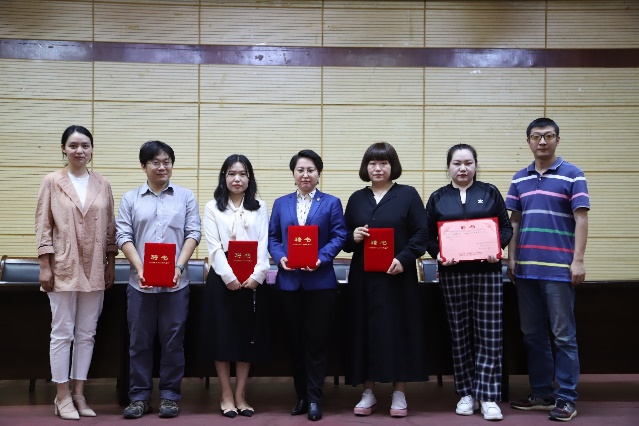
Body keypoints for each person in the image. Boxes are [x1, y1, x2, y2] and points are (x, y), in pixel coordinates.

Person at [507, 118, 589, 422]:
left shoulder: (573, 175)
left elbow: (581, 219)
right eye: (536, 136)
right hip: (526, 270)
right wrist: (511, 259)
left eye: (548, 136)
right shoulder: (519, 179)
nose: (542, 141)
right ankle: (542, 393)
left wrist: (578, 260)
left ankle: (566, 398)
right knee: (533, 335)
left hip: (558, 270)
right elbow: (514, 221)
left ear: (557, 139)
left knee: (563, 336)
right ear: (528, 141)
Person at [424, 144, 512, 421]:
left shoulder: (490, 192)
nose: (463, 168)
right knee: (459, 333)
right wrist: (438, 254)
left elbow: (506, 228)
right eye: (457, 163)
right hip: (453, 274)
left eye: (468, 163)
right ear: (448, 167)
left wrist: (497, 247)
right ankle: (466, 393)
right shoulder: (438, 197)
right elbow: (427, 236)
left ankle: (488, 396)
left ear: (475, 165)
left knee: (489, 333)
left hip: (488, 272)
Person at [35, 125, 117, 420]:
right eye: (73, 145)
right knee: (62, 332)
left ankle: (79, 393)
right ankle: (62, 395)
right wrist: (45, 266)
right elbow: (43, 226)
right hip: (62, 265)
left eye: (85, 145)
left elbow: (110, 227)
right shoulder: (52, 181)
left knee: (86, 333)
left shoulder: (102, 183)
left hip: (95, 266)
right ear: (63, 149)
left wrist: (110, 263)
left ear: (92, 149)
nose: (79, 150)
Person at [116, 141, 201, 419]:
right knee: (139, 342)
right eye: (155, 162)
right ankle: (139, 397)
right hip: (139, 284)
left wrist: (179, 266)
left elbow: (193, 233)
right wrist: (140, 268)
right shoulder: (131, 198)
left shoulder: (185, 196)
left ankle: (169, 396)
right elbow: (123, 235)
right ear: (144, 166)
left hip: (176, 283)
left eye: (167, 162)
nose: (162, 167)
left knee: (173, 341)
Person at [343, 142, 428, 418]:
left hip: (398, 277)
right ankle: (368, 391)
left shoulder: (408, 195)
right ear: (365, 167)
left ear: (393, 166)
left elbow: (421, 234)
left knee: (398, 330)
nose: (378, 168)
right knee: (365, 330)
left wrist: (403, 259)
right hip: (363, 279)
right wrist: (353, 236)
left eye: (383, 163)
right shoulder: (357, 198)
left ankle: (399, 391)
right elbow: (343, 239)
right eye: (372, 163)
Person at [268, 149, 347, 422]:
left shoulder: (331, 202)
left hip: (320, 284)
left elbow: (339, 236)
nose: (305, 175)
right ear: (293, 174)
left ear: (318, 174)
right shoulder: (281, 203)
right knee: (295, 343)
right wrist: (280, 257)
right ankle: (301, 396)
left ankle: (315, 398)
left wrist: (321, 258)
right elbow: (273, 237)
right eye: (300, 170)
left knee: (317, 343)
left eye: (311, 170)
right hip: (289, 283)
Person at [201, 154, 270, 418]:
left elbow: (263, 242)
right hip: (222, 277)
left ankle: (240, 394)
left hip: (252, 277)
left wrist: (258, 274)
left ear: (249, 178)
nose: (237, 179)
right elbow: (214, 246)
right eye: (231, 174)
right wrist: (229, 276)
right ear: (224, 177)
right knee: (223, 336)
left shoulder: (260, 207)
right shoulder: (212, 207)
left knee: (246, 337)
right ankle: (226, 394)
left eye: (242, 174)